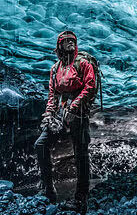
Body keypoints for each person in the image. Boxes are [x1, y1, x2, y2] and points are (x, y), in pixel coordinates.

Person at [35, 30, 97, 214]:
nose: (70, 43)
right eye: (66, 40)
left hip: (78, 114)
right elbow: (53, 95)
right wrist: (48, 114)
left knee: (81, 154)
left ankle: (81, 198)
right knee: (41, 144)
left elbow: (90, 86)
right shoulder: (55, 69)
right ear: (59, 45)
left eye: (73, 40)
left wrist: (74, 107)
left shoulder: (84, 64)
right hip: (61, 113)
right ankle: (48, 189)